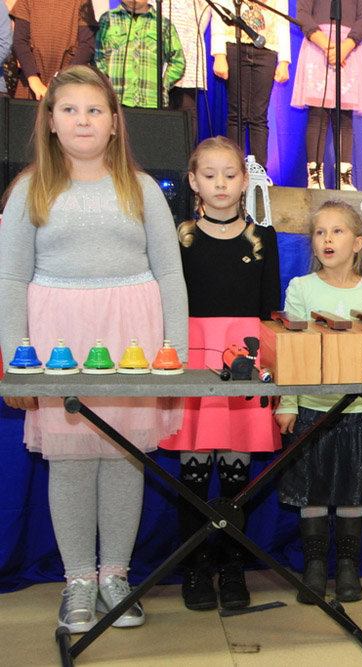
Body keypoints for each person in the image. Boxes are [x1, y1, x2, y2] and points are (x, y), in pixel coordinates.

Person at [0, 65, 188, 632]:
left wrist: (174, 354)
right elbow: (11, 278)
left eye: (94, 110)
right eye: (70, 110)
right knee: (73, 460)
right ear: (50, 122)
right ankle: (79, 580)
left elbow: (170, 274)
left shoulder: (142, 190)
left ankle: (115, 578)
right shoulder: (29, 190)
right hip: (58, 344)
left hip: (132, 340)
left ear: (113, 123)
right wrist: (16, 363)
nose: (82, 120)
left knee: (124, 456)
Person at [159, 136, 281, 612]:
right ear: (193, 181)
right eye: (209, 175)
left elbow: (269, 312)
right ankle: (194, 566)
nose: (221, 184)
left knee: (236, 470)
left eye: (230, 175)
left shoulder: (263, 238)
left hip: (245, 360)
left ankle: (233, 565)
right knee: (194, 469)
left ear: (245, 180)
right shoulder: (179, 237)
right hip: (193, 357)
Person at [274, 200, 362, 604]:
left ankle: (347, 568)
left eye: (337, 231)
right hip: (311, 410)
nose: (328, 239)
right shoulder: (301, 288)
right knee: (312, 491)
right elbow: (290, 354)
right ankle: (314, 567)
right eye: (320, 232)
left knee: (351, 491)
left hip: (358, 412)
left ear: (357, 243)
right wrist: (287, 404)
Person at [293, 0, 362, 190]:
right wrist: (328, 47)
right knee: (317, 114)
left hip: (349, 49)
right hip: (318, 45)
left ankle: (344, 178)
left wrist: (343, 48)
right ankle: (314, 176)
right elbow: (303, 13)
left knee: (344, 116)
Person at [210, 0, 290, 170]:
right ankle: (233, 169)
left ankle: (259, 171)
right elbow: (219, 13)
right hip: (234, 45)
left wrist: (284, 61)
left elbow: (283, 21)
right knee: (236, 113)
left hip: (267, 49)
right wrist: (219, 54)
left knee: (259, 115)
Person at [94, 0, 186, 109]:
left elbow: (178, 62)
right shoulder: (108, 19)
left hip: (151, 102)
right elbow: (98, 56)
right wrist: (106, 83)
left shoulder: (163, 24)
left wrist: (163, 85)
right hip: (115, 100)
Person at [10, 0, 97, 100]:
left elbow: (87, 45)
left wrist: (64, 78)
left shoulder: (81, 2)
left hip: (67, 81)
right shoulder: (27, 1)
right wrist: (34, 80)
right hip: (31, 83)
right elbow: (20, 41)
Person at [163, 0, 213, 142]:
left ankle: (186, 154)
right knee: (161, 114)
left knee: (187, 113)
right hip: (160, 59)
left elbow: (203, 18)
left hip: (188, 56)